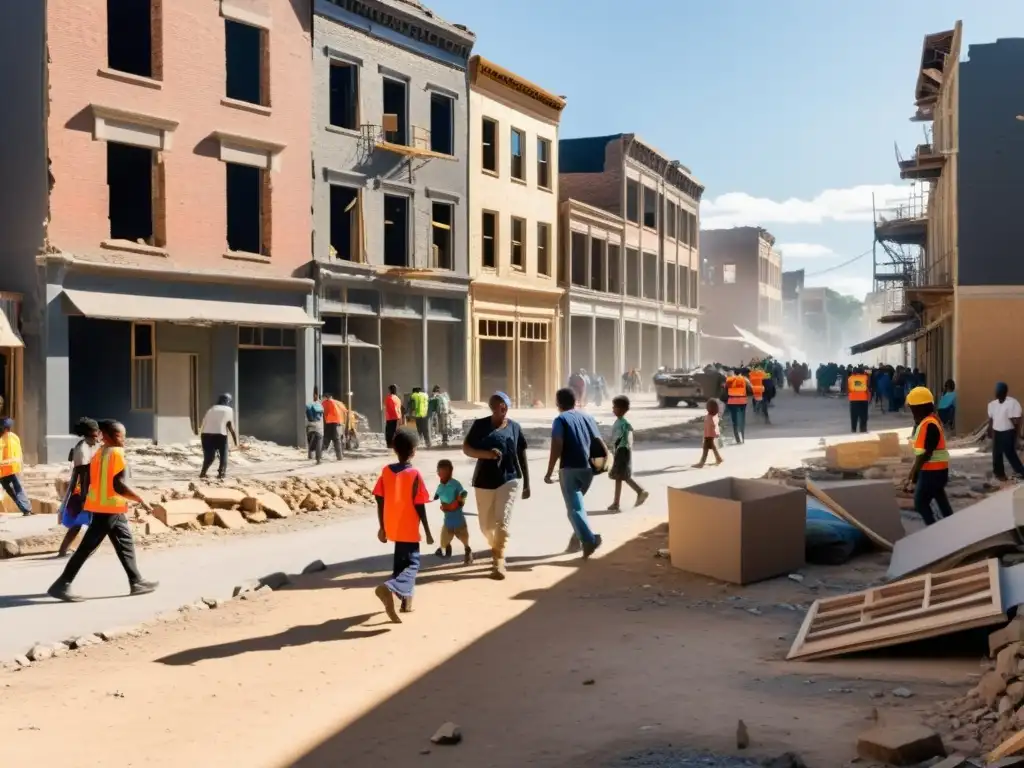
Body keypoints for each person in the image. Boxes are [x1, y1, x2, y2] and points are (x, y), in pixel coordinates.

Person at [47, 420, 159, 602]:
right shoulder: (116, 454)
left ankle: (136, 581)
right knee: (87, 548)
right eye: (118, 435)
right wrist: (140, 499)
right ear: (105, 435)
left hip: (104, 506)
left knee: (125, 543)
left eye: (123, 435)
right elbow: (118, 484)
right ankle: (62, 584)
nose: (122, 439)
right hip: (109, 508)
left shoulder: (100, 453)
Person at [462, 392, 529, 580]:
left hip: (509, 479)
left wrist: (527, 483)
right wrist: (487, 454)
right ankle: (494, 545)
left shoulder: (515, 427)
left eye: (505, 405)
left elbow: (521, 454)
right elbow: (467, 448)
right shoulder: (480, 425)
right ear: (493, 407)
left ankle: (499, 558)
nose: (503, 408)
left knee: (503, 522)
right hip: (484, 481)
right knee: (486, 525)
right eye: (499, 406)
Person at [373, 427, 433, 622]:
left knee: (401, 565)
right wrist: (428, 531)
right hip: (409, 528)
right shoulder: (414, 474)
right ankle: (389, 587)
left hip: (392, 527)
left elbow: (379, 500)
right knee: (413, 565)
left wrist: (382, 527)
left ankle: (405, 603)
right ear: (414, 451)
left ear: (395, 450)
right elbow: (420, 506)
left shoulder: (386, 472)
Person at [546, 387, 607, 559]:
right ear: (575, 401)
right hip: (588, 470)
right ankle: (576, 541)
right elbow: (598, 440)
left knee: (574, 509)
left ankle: (590, 540)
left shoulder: (560, 420)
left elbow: (557, 444)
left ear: (558, 403)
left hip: (570, 469)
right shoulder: (587, 417)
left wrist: (550, 471)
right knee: (577, 508)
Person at [903, 387, 954, 526]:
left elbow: (925, 454)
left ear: (920, 407)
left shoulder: (929, 425)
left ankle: (933, 530)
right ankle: (953, 525)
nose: (911, 411)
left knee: (920, 503)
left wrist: (914, 477)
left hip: (932, 472)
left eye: (912, 408)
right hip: (938, 470)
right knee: (941, 500)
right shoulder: (929, 421)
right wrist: (912, 474)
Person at [57, 417, 101, 558]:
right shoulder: (82, 449)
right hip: (83, 490)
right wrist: (84, 497)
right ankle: (65, 550)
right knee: (80, 522)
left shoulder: (92, 445)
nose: (98, 435)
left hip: (91, 488)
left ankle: (79, 550)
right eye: (95, 432)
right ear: (89, 433)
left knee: (88, 522)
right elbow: (82, 476)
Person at [607, 395, 650, 512]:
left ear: (621, 409)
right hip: (621, 451)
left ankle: (639, 491)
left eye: (614, 407)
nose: (613, 409)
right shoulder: (622, 422)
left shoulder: (623, 424)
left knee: (621, 476)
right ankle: (617, 502)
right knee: (620, 477)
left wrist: (617, 450)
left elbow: (622, 440)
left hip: (622, 452)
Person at [433, 458, 471, 564]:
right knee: (444, 537)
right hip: (447, 519)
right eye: (440, 471)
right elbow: (437, 493)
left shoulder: (455, 484)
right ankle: (447, 548)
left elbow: (463, 494)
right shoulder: (440, 486)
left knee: (463, 537)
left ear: (450, 471)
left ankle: (468, 550)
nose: (441, 473)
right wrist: (435, 497)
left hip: (458, 518)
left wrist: (460, 500)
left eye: (444, 471)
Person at [988, 382, 1024, 482]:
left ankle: (1021, 471)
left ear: (1005, 392)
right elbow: (991, 419)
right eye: (997, 391)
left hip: (1008, 432)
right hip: (997, 432)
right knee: (996, 454)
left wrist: (1017, 435)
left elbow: (1018, 420)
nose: (997, 393)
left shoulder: (1012, 403)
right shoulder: (992, 405)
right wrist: (990, 430)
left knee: (1010, 453)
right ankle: (999, 474)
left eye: (1000, 391)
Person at [199, 394, 239, 479]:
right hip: (220, 435)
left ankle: (203, 473)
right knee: (223, 455)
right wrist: (236, 442)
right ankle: (221, 473)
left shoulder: (211, 409)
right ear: (228, 401)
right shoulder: (229, 410)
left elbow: (204, 423)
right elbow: (230, 427)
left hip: (205, 435)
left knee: (209, 457)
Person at [0, 418, 31, 516]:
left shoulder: (2, 440)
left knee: (11, 491)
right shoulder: (15, 437)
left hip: (4, 471)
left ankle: (25, 509)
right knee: (18, 489)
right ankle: (26, 509)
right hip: (14, 468)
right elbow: (20, 453)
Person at [694, 398, 724, 467]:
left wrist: (716, 433)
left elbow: (715, 426)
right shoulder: (710, 416)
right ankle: (718, 458)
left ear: (711, 408)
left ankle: (701, 463)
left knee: (705, 449)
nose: (706, 407)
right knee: (713, 447)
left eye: (708, 406)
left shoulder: (712, 417)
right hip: (708, 435)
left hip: (709, 436)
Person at [724, 369, 749, 444]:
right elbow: (750, 389)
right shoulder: (744, 379)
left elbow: (725, 392)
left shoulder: (728, 380)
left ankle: (738, 439)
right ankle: (743, 438)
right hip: (743, 401)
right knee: (742, 419)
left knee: (735, 421)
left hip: (732, 402)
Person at [321, 392, 347, 461]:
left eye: (323, 398)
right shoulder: (339, 402)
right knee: (337, 439)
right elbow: (345, 411)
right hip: (339, 423)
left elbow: (323, 411)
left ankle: (320, 455)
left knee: (327, 438)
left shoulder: (326, 402)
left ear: (326, 397)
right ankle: (340, 457)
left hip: (330, 422)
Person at [847, 367, 870, 434]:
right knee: (863, 414)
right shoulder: (865, 377)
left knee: (854, 414)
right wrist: (867, 371)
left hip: (853, 398)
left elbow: (848, 389)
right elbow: (868, 385)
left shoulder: (850, 378)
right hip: (863, 398)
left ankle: (853, 428)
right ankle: (863, 428)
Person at [305, 389, 324, 464]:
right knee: (319, 441)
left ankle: (310, 455)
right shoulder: (320, 405)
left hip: (309, 424)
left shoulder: (308, 404)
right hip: (318, 425)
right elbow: (322, 415)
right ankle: (318, 459)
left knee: (310, 440)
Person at [383, 384, 403, 449]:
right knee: (395, 431)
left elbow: (386, 406)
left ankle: (390, 445)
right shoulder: (398, 398)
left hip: (390, 417)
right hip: (397, 417)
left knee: (389, 432)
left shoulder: (389, 398)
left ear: (390, 390)